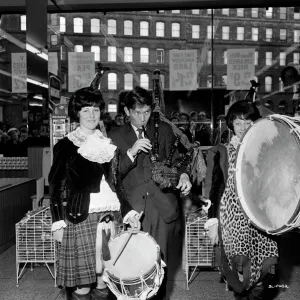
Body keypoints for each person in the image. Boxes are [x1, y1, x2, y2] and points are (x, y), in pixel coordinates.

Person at [48, 86, 134, 300]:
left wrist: (128, 212)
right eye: (86, 110)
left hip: (110, 218)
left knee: (104, 280)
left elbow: (116, 183)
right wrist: (58, 221)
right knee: (82, 285)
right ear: (77, 113)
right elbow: (56, 185)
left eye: (95, 110)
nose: (91, 115)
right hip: (81, 219)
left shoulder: (108, 145)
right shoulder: (66, 145)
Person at [108, 86, 192, 300]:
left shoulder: (163, 130)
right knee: (133, 266)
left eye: (147, 112)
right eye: (137, 112)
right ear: (127, 111)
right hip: (132, 210)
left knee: (159, 266)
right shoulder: (115, 136)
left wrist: (183, 175)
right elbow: (112, 176)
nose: (143, 117)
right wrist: (131, 153)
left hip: (163, 208)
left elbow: (179, 160)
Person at [205, 100, 279, 300]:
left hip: (261, 220)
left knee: (265, 271)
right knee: (241, 275)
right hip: (234, 222)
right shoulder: (222, 152)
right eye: (238, 123)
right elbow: (215, 190)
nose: (243, 128)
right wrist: (213, 222)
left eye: (248, 122)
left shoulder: (265, 151)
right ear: (231, 125)